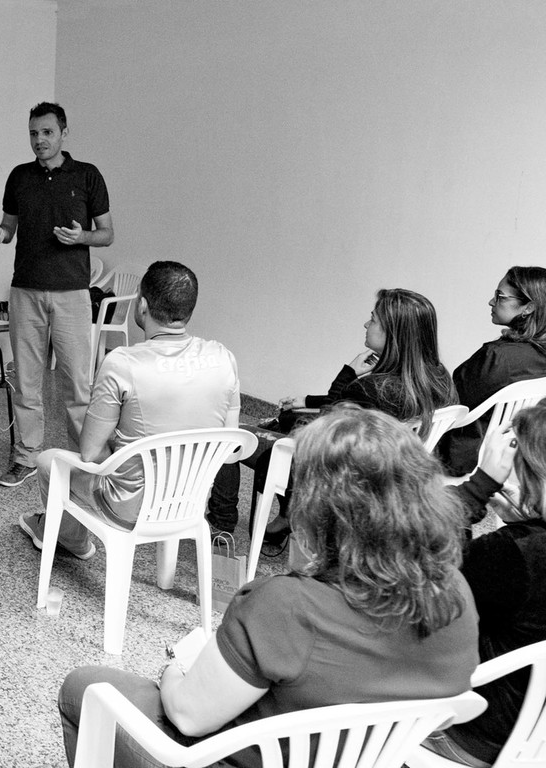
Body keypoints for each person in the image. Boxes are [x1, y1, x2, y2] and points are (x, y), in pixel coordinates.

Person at [57, 407, 478, 768]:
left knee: (86, 686)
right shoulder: (456, 591)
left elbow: (188, 717)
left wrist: (175, 672)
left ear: (317, 509)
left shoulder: (286, 605)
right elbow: (441, 714)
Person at [17, 261, 239, 559]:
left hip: (127, 508)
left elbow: (90, 453)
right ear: (189, 310)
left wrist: (123, 448)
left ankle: (71, 541)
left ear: (143, 305)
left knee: (50, 462)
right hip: (188, 505)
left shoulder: (122, 362)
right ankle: (60, 532)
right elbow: (231, 450)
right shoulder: (223, 358)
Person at [212, 288, 456, 540]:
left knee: (231, 434)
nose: (366, 324)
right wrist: (307, 400)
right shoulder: (438, 377)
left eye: (373, 319)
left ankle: (221, 523)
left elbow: (326, 428)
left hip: (336, 470)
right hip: (387, 471)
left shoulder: (375, 388)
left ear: (392, 333)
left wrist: (347, 373)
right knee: (288, 419)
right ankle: (287, 515)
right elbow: (352, 405)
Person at [0, 101, 114, 488]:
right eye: (33, 134)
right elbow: (9, 227)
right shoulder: (19, 176)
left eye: (47, 133)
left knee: (79, 385)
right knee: (26, 381)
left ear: (64, 132)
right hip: (25, 290)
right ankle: (25, 455)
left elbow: (106, 234)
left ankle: (84, 459)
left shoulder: (87, 176)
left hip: (72, 294)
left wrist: (82, 237)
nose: (39, 140)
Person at [420, 400, 546, 766]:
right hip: (532, 735)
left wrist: (479, 487)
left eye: (514, 463)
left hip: (470, 732)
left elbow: (423, 577)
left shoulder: (515, 555)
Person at [438, 266, 546, 477]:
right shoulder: (538, 356)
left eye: (500, 296)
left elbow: (450, 403)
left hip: (454, 456)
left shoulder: (496, 357)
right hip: (502, 459)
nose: (491, 302)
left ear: (528, 308)